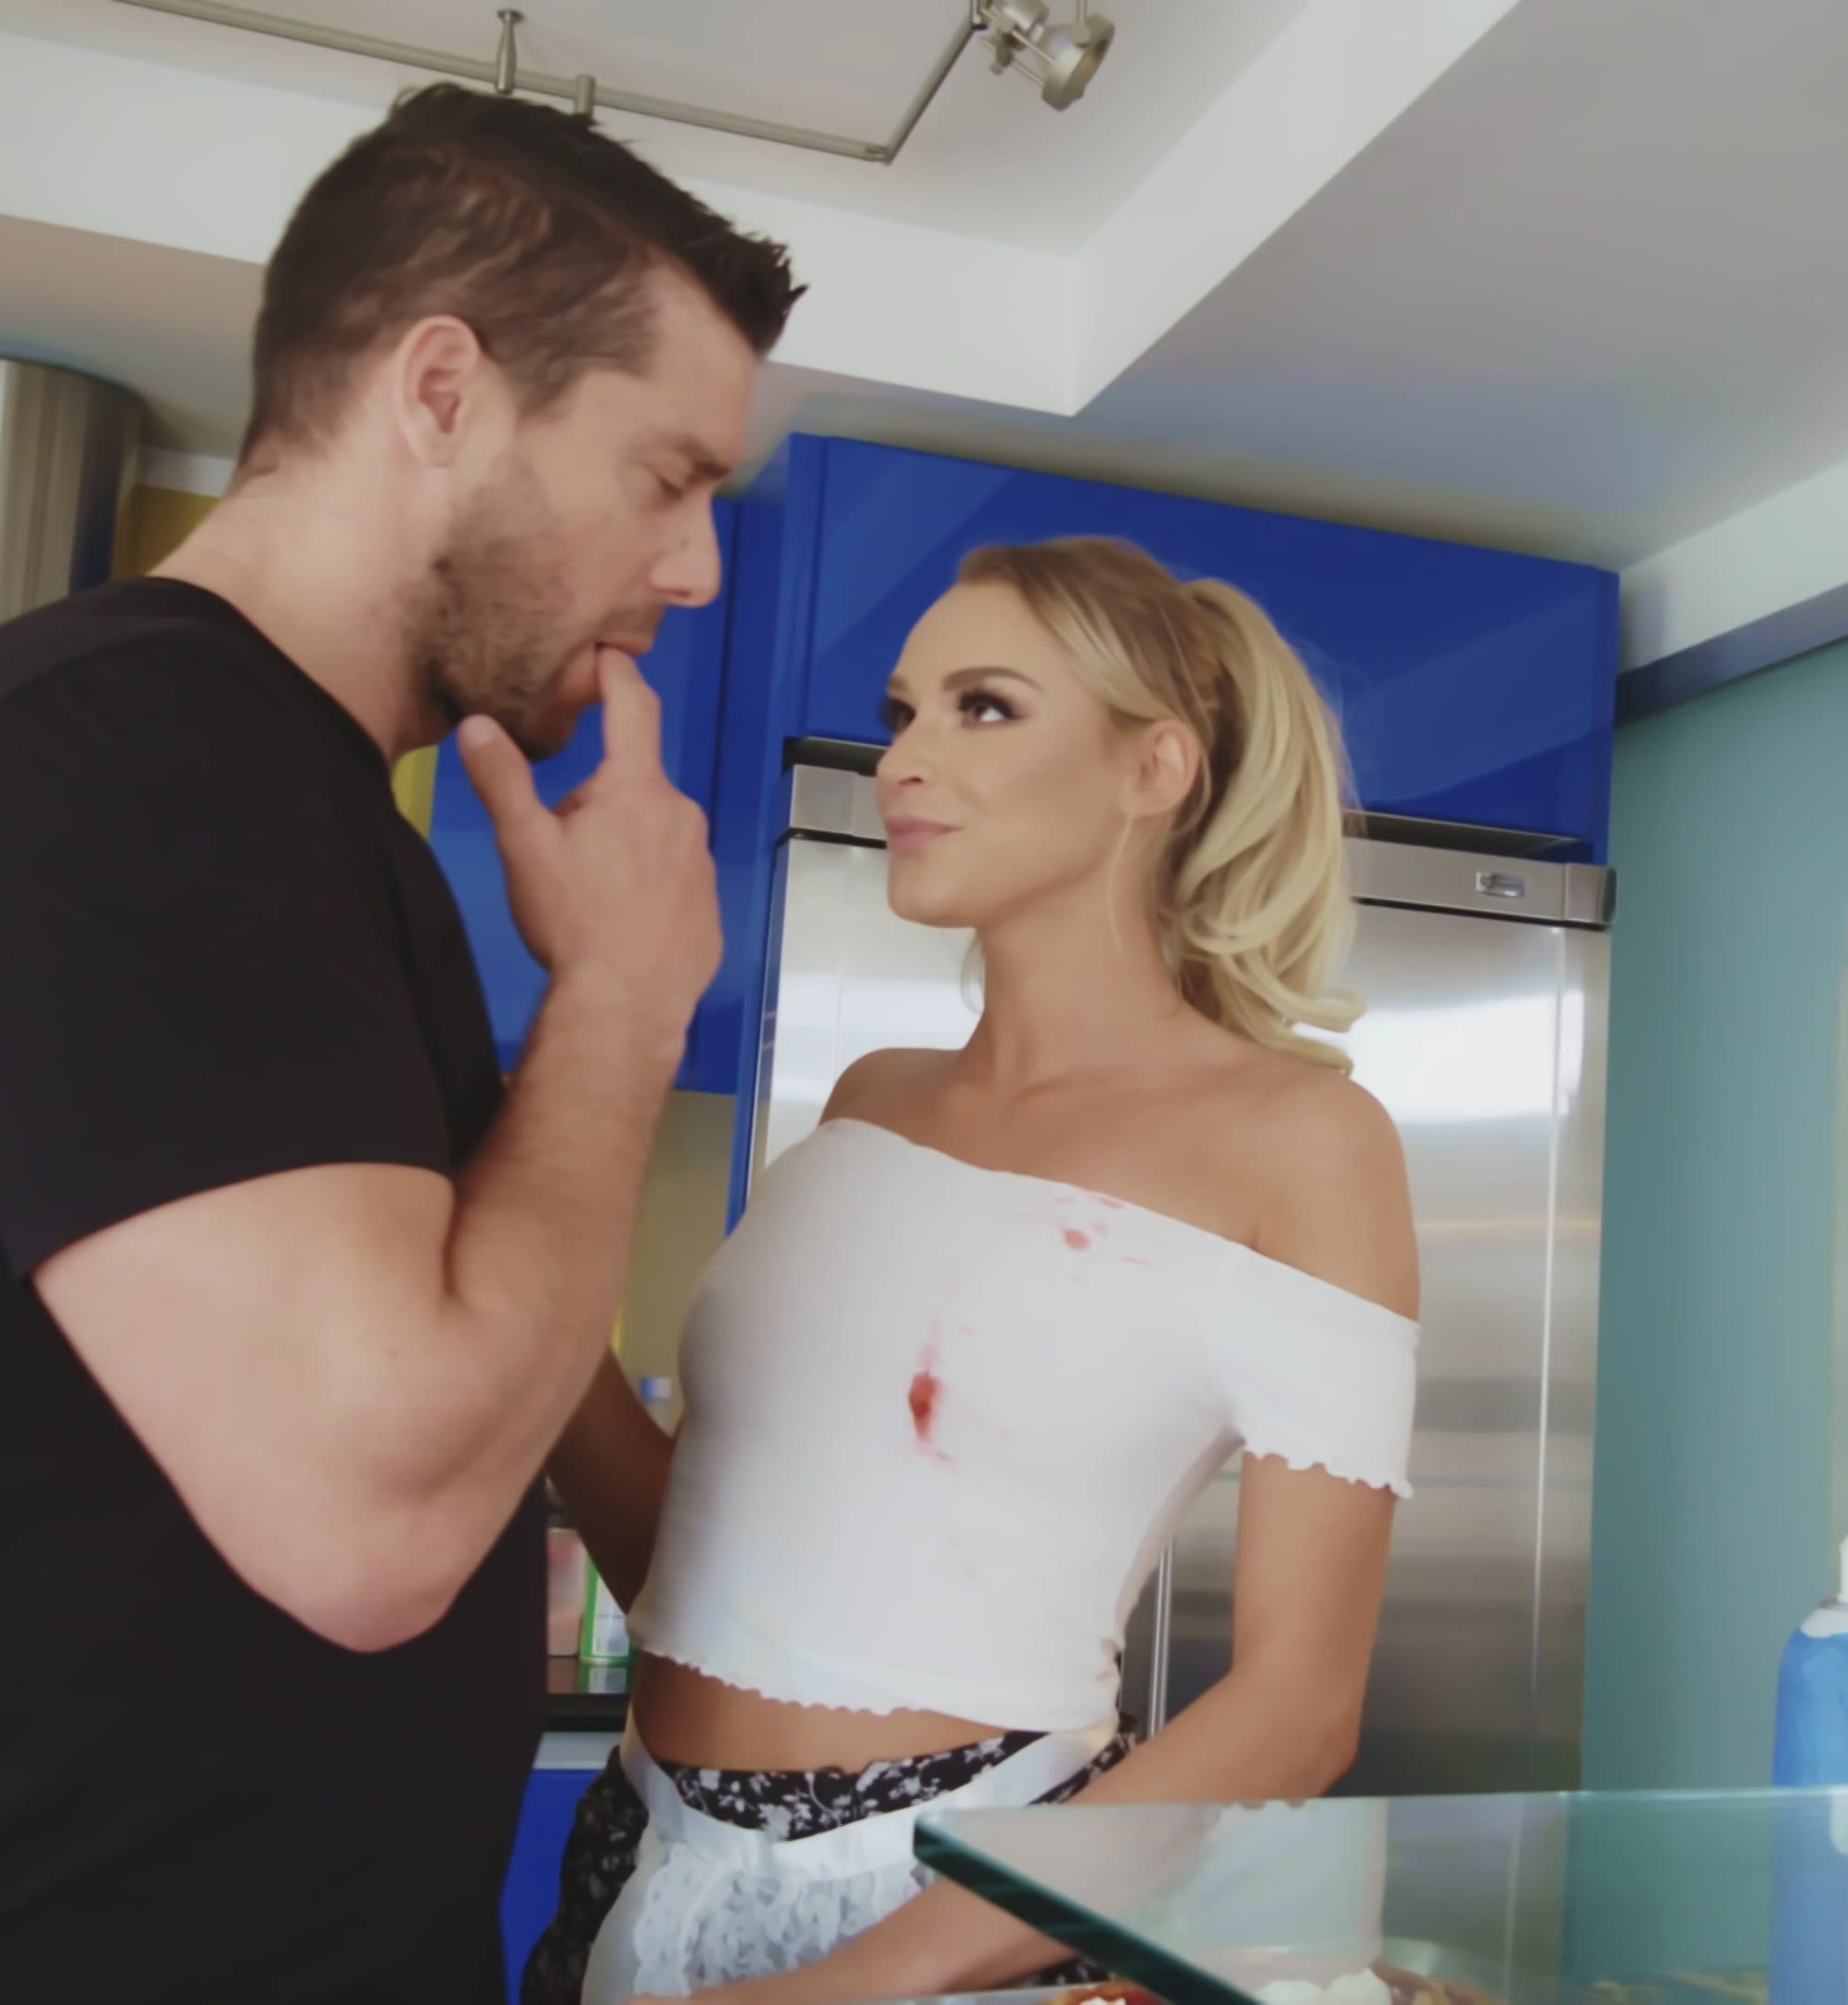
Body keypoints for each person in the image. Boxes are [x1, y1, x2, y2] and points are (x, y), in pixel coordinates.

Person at [0, 87, 796, 2003]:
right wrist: (620, 997)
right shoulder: (122, 755)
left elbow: (471, 1380)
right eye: (664, 476)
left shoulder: (297, 809)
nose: (692, 569)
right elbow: (375, 1520)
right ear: (441, 391)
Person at [522, 537, 1424, 2005]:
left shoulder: (1306, 1141)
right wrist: (526, 1282)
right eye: (901, 713)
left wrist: (841, 1988)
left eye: (983, 707)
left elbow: (1298, 1708)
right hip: (643, 1853)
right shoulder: (869, 1100)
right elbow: (694, 1572)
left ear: (1155, 769)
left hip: (960, 1901)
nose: (903, 761)